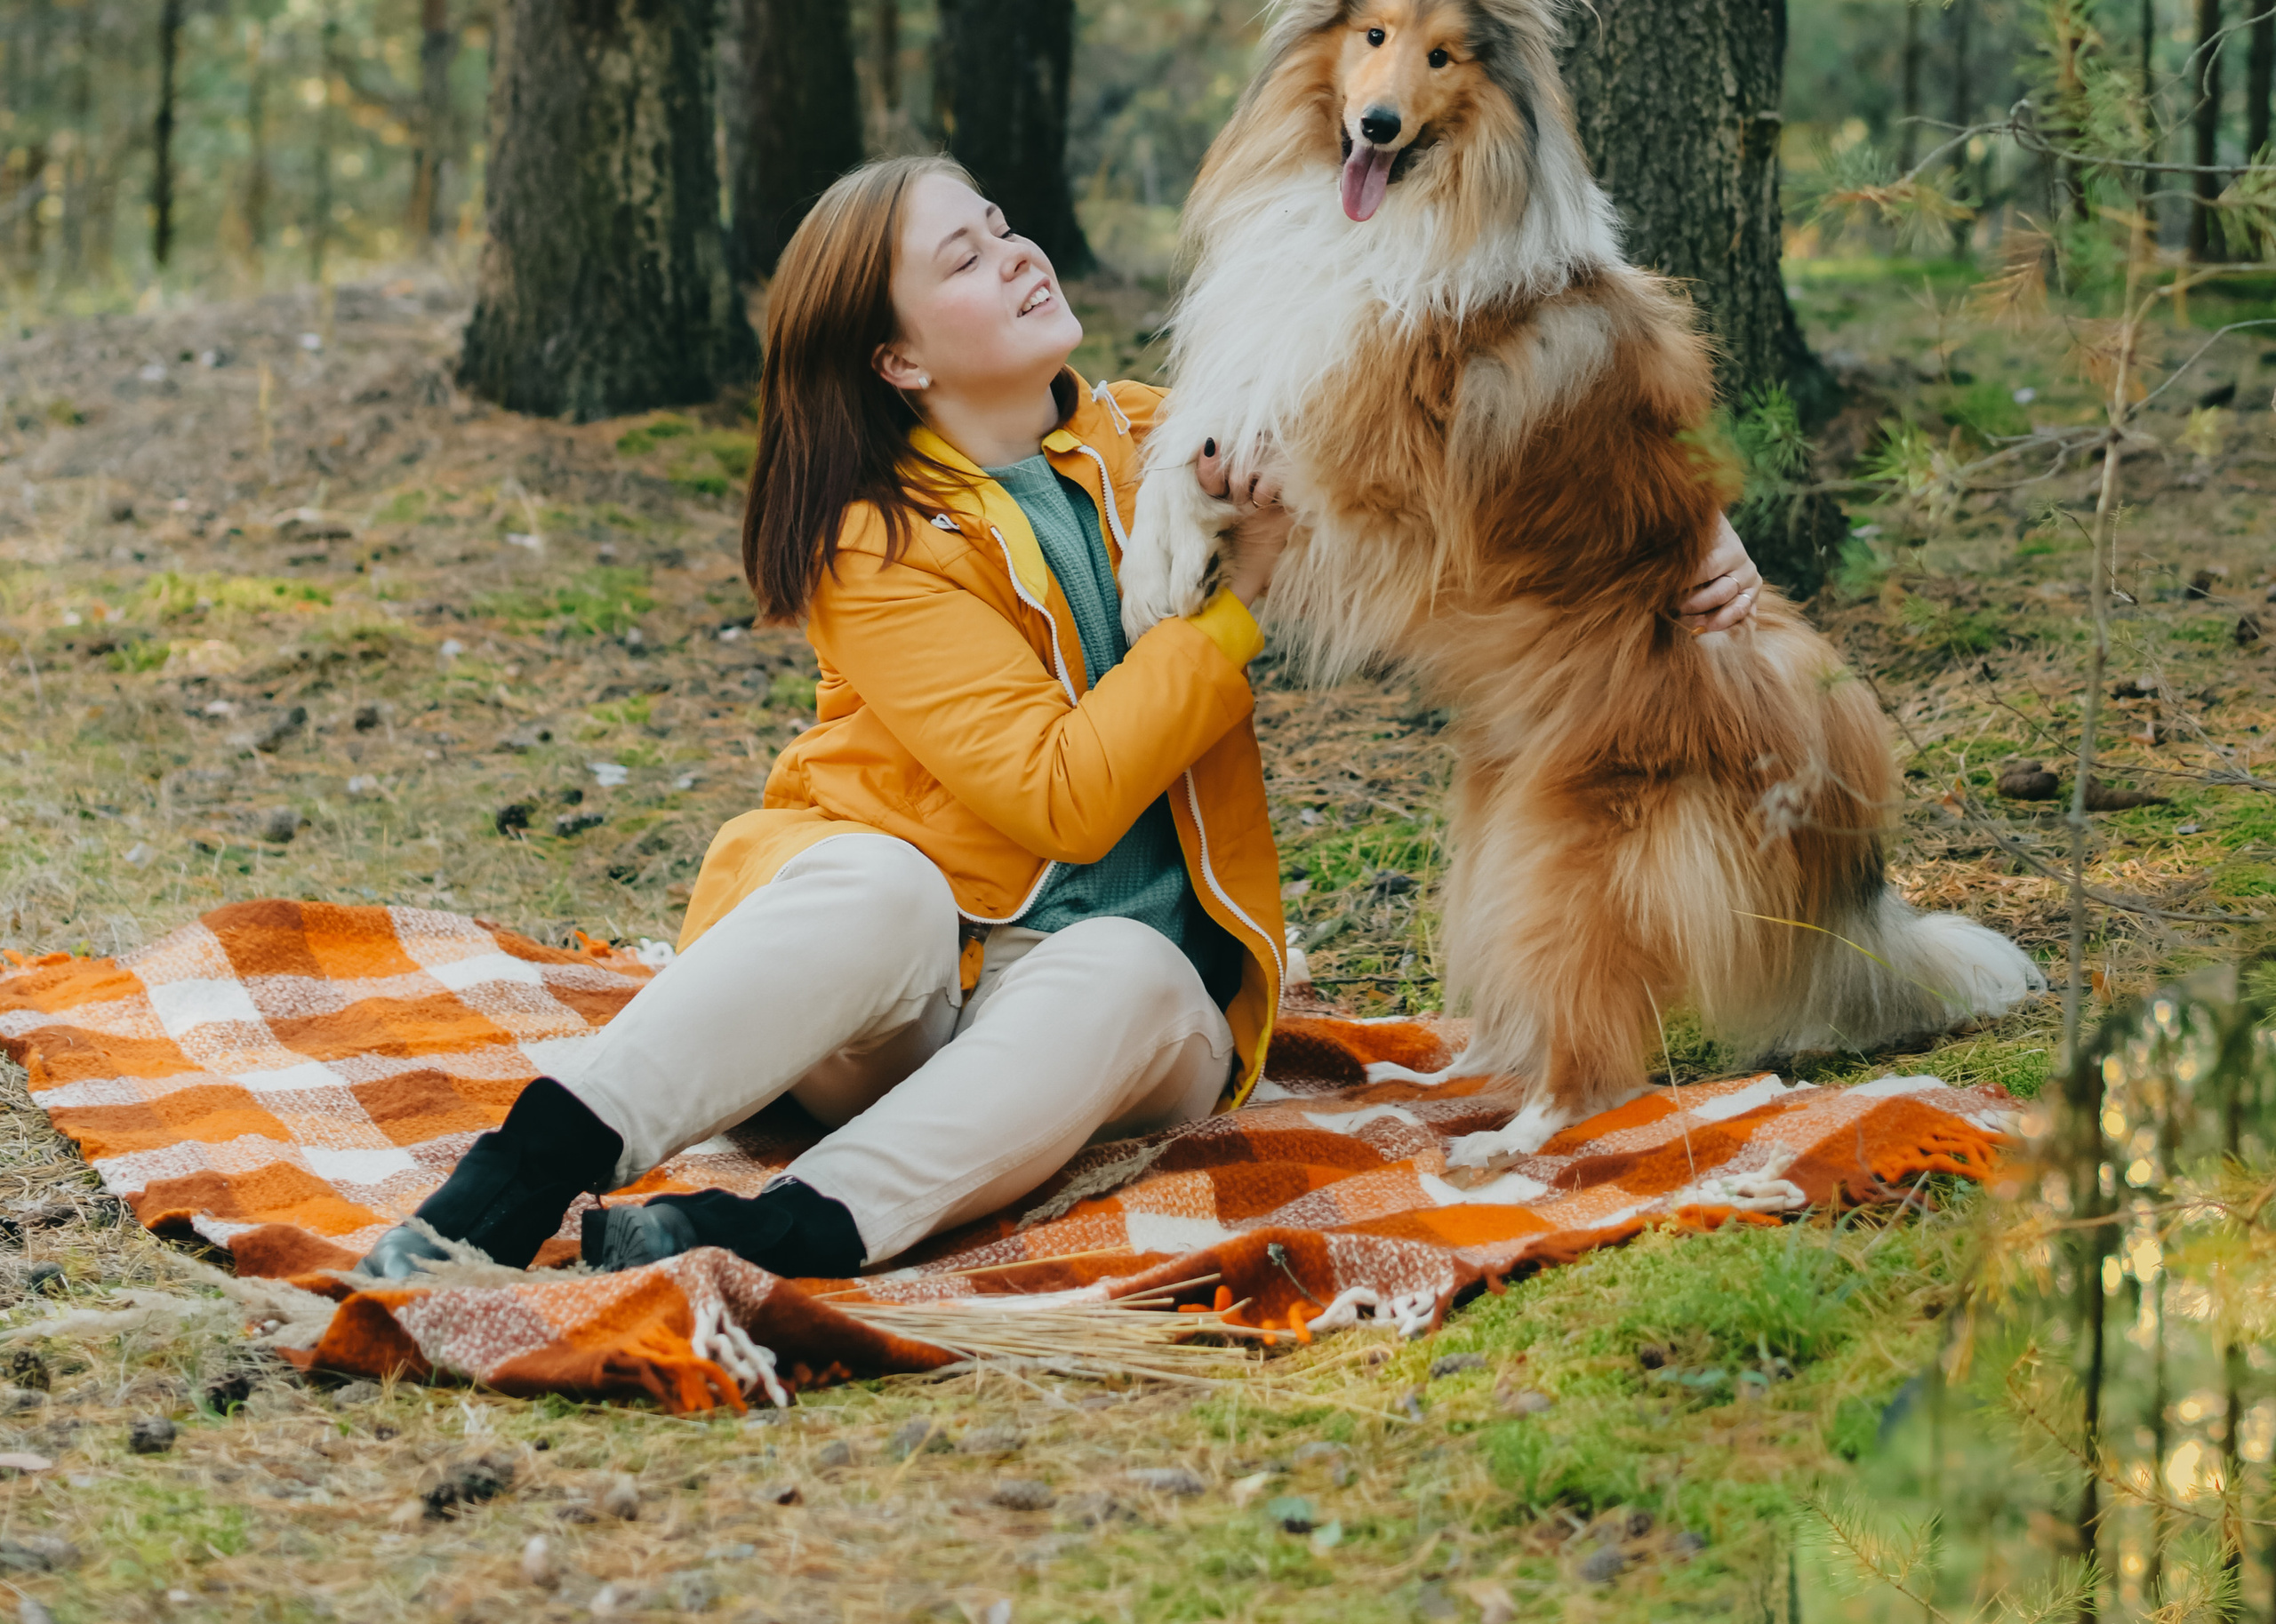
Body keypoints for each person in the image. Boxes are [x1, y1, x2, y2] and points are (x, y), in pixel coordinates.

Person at [359, 155, 1761, 1285]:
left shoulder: (1171, 439)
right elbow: (1061, 793)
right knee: (878, 883)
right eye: (962, 260)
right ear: (897, 361)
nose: (1018, 254)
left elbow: (1459, 491)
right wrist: (1230, 611)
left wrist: (1688, 539)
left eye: (1004, 227)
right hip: (888, 1008)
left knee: (1133, 967)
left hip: (1096, 1028)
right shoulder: (874, 543)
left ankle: (785, 1234)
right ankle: (525, 1172)